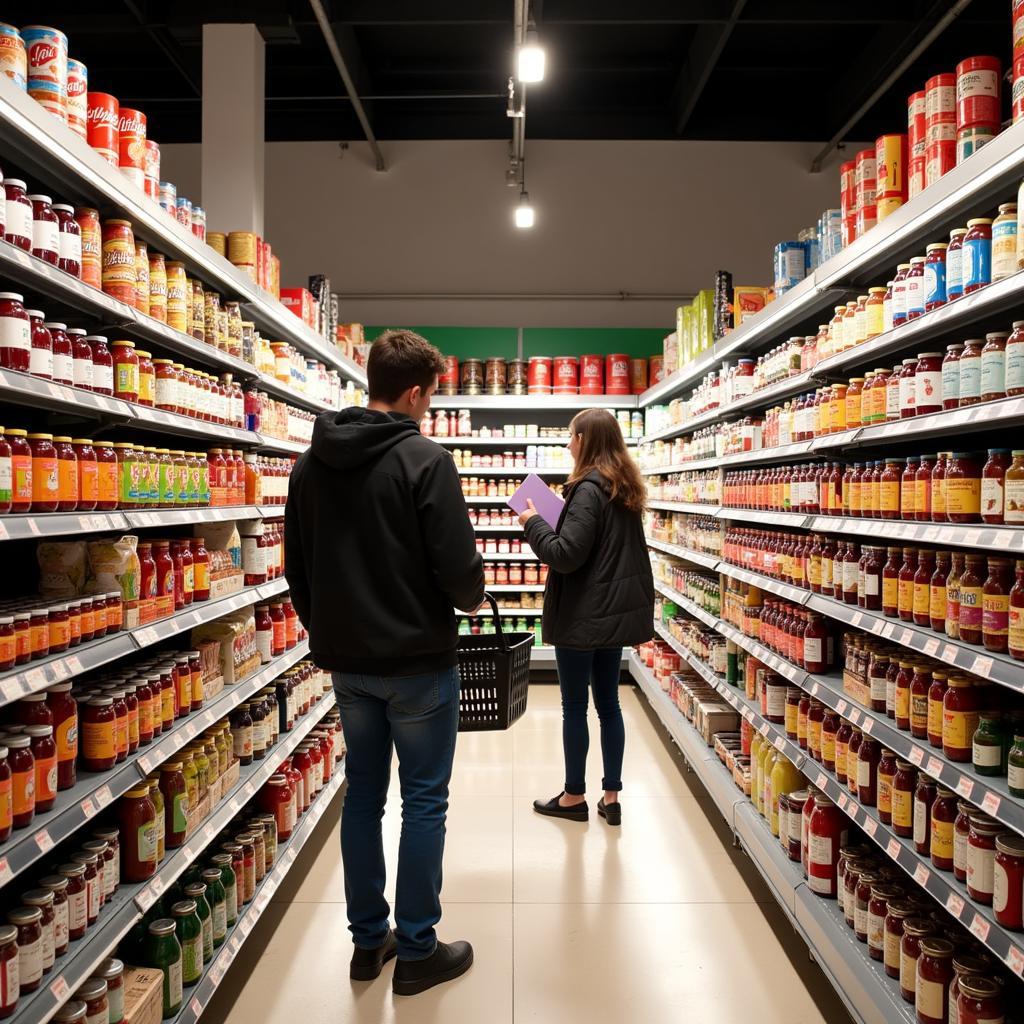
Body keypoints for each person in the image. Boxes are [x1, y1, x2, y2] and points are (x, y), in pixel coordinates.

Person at [284, 329, 484, 995]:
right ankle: (420, 949)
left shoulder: (310, 464)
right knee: (425, 800)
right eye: (431, 394)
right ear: (416, 391)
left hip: (349, 665)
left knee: (363, 794)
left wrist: (327, 632)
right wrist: (472, 597)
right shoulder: (426, 460)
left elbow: (297, 569)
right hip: (418, 663)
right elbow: (459, 572)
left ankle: (369, 943)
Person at [520, 407, 654, 826]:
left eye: (571, 436)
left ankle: (574, 796)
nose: (566, 443)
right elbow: (603, 548)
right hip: (612, 617)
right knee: (610, 705)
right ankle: (611, 797)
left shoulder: (588, 488)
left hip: (582, 617)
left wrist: (533, 521)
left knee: (575, 707)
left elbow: (565, 555)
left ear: (584, 441)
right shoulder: (625, 487)